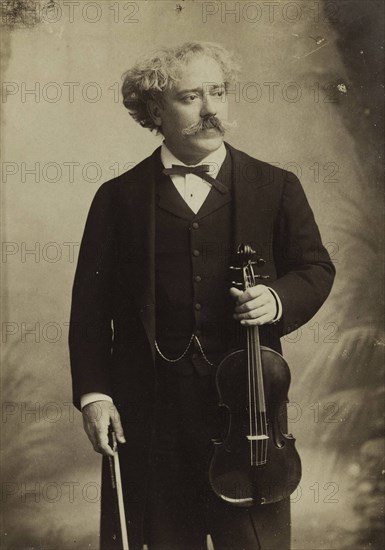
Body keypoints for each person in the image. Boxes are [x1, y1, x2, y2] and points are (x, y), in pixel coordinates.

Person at [69, 42, 335, 550]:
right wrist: (95, 396)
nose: (212, 108)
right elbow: (89, 311)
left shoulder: (276, 186)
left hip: (248, 418)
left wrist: (276, 299)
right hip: (150, 414)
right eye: (192, 96)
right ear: (155, 111)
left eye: (219, 92)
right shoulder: (117, 198)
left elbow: (316, 268)